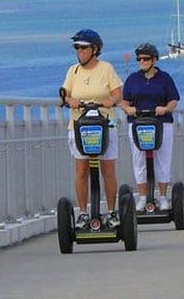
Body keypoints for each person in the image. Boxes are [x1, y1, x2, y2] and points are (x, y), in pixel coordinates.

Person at [61, 29, 123, 228]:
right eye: (77, 47)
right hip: (80, 127)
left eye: (83, 47)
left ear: (94, 49)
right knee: (81, 171)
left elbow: (118, 94)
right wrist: (70, 101)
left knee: (108, 170)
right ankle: (84, 213)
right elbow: (65, 95)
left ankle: (112, 212)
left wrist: (109, 101)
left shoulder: (106, 69)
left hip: (105, 125)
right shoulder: (73, 71)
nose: (79, 51)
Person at [119, 43, 180, 212]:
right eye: (139, 59)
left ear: (154, 60)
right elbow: (123, 101)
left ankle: (162, 197)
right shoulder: (132, 78)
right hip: (138, 123)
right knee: (139, 161)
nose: (142, 61)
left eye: (146, 58)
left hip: (162, 123)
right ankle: (143, 197)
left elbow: (174, 100)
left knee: (162, 160)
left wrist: (166, 108)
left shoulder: (165, 78)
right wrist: (128, 108)